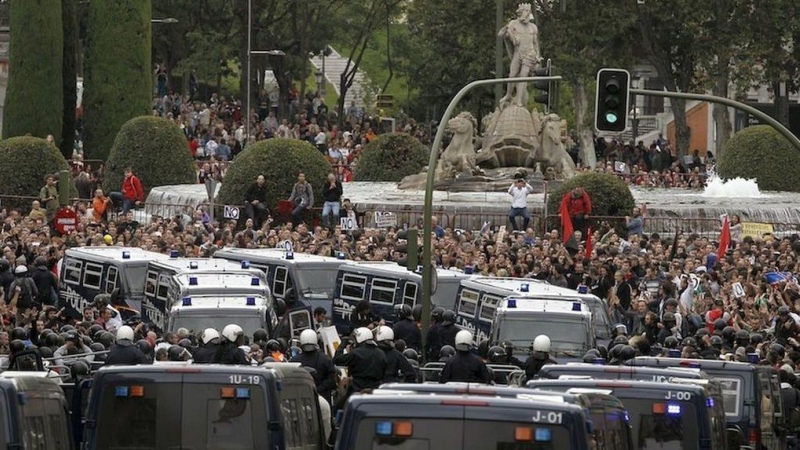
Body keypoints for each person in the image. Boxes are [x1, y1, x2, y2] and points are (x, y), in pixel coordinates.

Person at [498, 2, 540, 107]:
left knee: (523, 76)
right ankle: (508, 95)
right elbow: (505, 35)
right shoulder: (513, 24)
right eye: (525, 12)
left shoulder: (533, 27)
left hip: (530, 54)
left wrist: (538, 57)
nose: (527, 15)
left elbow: (535, 44)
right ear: (520, 13)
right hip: (518, 52)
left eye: (528, 12)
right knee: (512, 75)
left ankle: (519, 99)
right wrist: (508, 34)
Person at [333, 327, 387, 394]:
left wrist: (342, 344)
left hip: (357, 389)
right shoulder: (381, 353)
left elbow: (337, 360)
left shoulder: (356, 353)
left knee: (341, 404)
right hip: (376, 389)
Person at [291, 329, 336, 402]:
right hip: (321, 398)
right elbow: (331, 379)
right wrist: (319, 389)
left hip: (302, 398)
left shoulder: (294, 361)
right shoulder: (325, 359)